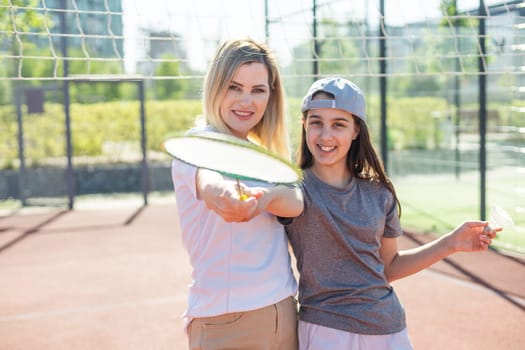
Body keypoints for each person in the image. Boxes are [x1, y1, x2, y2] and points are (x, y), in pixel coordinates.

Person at [280, 76, 500, 350]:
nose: (325, 135)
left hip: (388, 329)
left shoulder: (379, 193)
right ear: (304, 125)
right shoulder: (292, 189)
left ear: (356, 130)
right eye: (316, 122)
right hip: (324, 331)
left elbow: (389, 266)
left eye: (338, 124)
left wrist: (451, 243)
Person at [171, 38, 303, 350]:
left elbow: (296, 202)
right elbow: (209, 181)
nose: (247, 100)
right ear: (215, 86)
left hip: (284, 312)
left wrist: (268, 198)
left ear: (271, 95)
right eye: (234, 87)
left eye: (258, 90)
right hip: (226, 322)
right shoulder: (198, 143)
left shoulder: (266, 154)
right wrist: (226, 195)